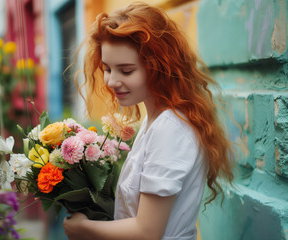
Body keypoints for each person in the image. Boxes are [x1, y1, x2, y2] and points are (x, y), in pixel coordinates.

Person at [63, 2, 235, 240]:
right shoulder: (155, 120)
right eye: (107, 68)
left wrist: (84, 229)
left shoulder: (170, 129)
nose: (112, 81)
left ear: (158, 67)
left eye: (126, 70)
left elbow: (147, 231)